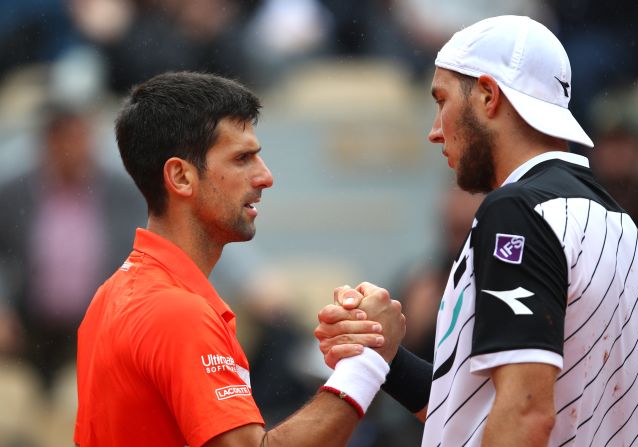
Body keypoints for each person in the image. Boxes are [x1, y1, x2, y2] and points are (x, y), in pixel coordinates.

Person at [316, 15, 638, 446]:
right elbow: (472, 413)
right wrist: (387, 360)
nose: (435, 132)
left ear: (488, 95)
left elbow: (525, 415)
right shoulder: (618, 221)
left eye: (441, 101)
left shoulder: (517, 212)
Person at [74, 72, 405, 447]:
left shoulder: (112, 296)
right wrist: (366, 366)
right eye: (243, 158)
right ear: (181, 177)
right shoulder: (176, 312)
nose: (265, 177)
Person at [0, 104, 144, 391]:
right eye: (66, 138)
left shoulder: (123, 193)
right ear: (47, 142)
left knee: (80, 398)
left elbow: (142, 256)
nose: (76, 148)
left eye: (82, 137)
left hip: (95, 328)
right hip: (26, 328)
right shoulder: (14, 193)